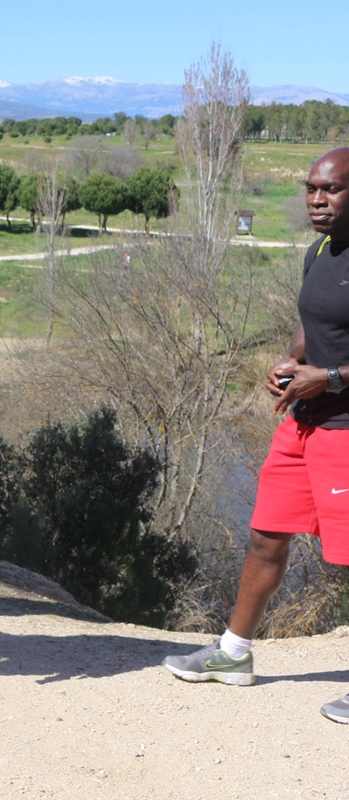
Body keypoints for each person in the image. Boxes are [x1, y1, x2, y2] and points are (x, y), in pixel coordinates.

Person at [163, 147, 349, 725]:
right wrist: (293, 359)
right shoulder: (320, 250)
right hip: (302, 422)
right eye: (311, 188)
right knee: (267, 536)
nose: (316, 200)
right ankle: (233, 653)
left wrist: (332, 376)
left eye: (332, 189)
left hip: (345, 432)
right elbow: (310, 321)